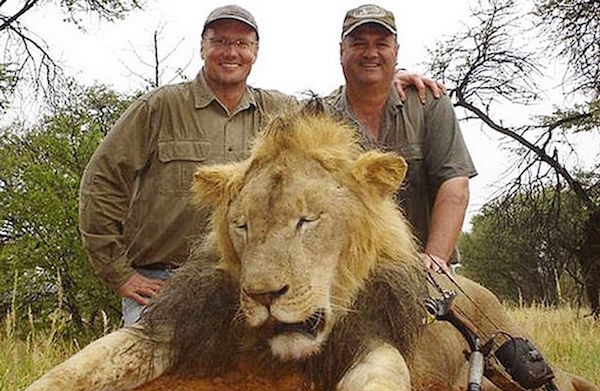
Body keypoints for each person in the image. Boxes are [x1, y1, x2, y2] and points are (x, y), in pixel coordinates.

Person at [79, 5, 445, 326]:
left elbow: (333, 132)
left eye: (242, 43)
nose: (231, 52)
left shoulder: (281, 112)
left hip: (238, 277)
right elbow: (101, 183)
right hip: (160, 280)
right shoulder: (158, 108)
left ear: (255, 51)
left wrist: (382, 80)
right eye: (220, 41)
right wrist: (120, 275)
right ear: (202, 47)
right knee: (143, 368)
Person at [326, 4, 477, 274]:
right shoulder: (319, 115)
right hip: (346, 273)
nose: (370, 53)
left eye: (381, 44)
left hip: (424, 266)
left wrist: (435, 259)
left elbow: (455, 185)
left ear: (396, 52)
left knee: (480, 312)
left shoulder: (430, 103)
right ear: (341, 52)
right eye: (359, 43)